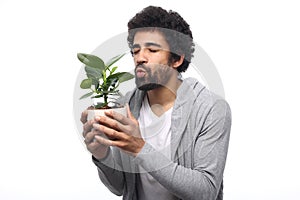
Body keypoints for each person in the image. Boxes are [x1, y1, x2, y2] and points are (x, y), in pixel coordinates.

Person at [81, 6, 231, 200]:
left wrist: (139, 147)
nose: (139, 58)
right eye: (135, 51)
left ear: (176, 59)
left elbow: (205, 191)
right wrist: (101, 154)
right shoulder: (126, 106)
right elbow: (121, 187)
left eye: (152, 49)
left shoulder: (210, 108)